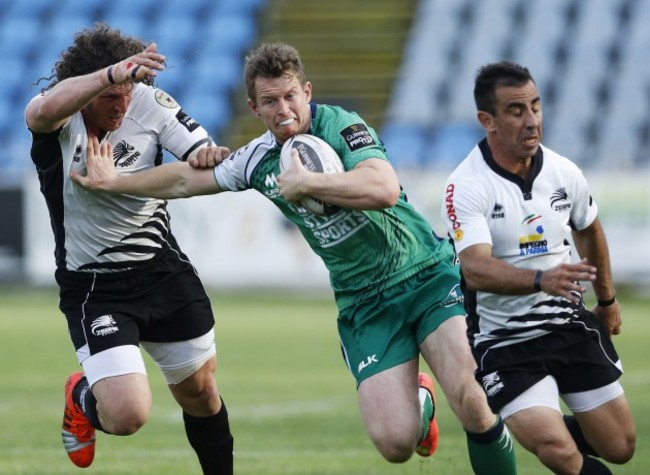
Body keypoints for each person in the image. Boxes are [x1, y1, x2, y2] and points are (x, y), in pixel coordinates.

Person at [71, 42, 517, 474]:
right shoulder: (257, 160)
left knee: (474, 404)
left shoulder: (341, 125)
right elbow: (186, 181)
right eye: (270, 101)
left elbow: (381, 189)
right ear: (254, 108)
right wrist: (115, 183)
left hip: (426, 276)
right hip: (364, 304)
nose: (283, 109)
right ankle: (417, 402)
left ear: (306, 92)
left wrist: (309, 185)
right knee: (395, 445)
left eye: (290, 95)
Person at [24, 23, 234, 473]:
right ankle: (82, 394)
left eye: (126, 94)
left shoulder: (149, 103)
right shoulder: (60, 117)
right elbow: (42, 111)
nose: (121, 106)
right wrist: (109, 75)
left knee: (201, 394)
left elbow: (203, 162)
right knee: (127, 415)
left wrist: (203, 155)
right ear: (90, 88)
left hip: (162, 270)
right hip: (95, 286)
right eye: (110, 97)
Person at [439, 61, 636, 474]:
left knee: (620, 447)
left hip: (567, 326)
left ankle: (524, 418)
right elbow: (474, 269)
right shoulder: (466, 186)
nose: (532, 121)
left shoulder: (564, 172)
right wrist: (541, 280)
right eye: (516, 111)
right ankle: (529, 419)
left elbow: (588, 228)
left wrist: (607, 300)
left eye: (536, 106)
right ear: (486, 120)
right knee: (559, 452)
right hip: (506, 342)